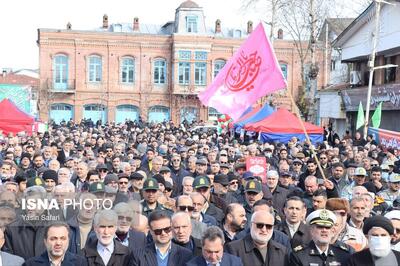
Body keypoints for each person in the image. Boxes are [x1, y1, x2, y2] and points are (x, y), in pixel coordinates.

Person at [23, 222, 87, 266]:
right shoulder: (30, 264)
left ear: (68, 240)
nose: (58, 243)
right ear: (45, 241)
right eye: (53, 239)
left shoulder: (80, 263)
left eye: (62, 238)